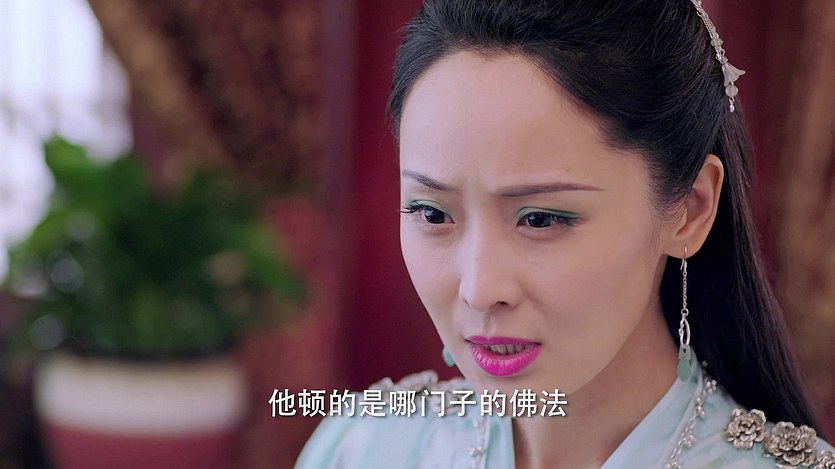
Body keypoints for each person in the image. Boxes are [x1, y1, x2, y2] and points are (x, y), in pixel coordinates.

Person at [296, 0, 835, 467]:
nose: (479, 290)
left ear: (689, 210)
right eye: (432, 214)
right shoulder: (363, 447)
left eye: (540, 219)